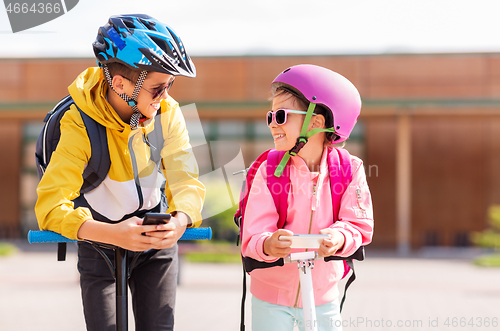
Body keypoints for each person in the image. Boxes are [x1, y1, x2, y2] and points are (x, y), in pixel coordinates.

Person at [35, 14, 205, 331]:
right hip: (100, 244)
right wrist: (114, 234)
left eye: (170, 85)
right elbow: (50, 206)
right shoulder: (80, 123)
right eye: (157, 88)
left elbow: (187, 182)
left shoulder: (168, 113)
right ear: (121, 84)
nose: (165, 96)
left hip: (156, 243)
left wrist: (180, 220)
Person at [241, 64, 374, 331]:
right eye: (270, 117)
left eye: (281, 116)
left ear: (316, 121)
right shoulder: (267, 170)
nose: (272, 125)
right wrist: (268, 244)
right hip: (270, 299)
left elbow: (358, 226)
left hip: (324, 297)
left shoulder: (350, 170)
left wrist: (339, 238)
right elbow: (252, 234)